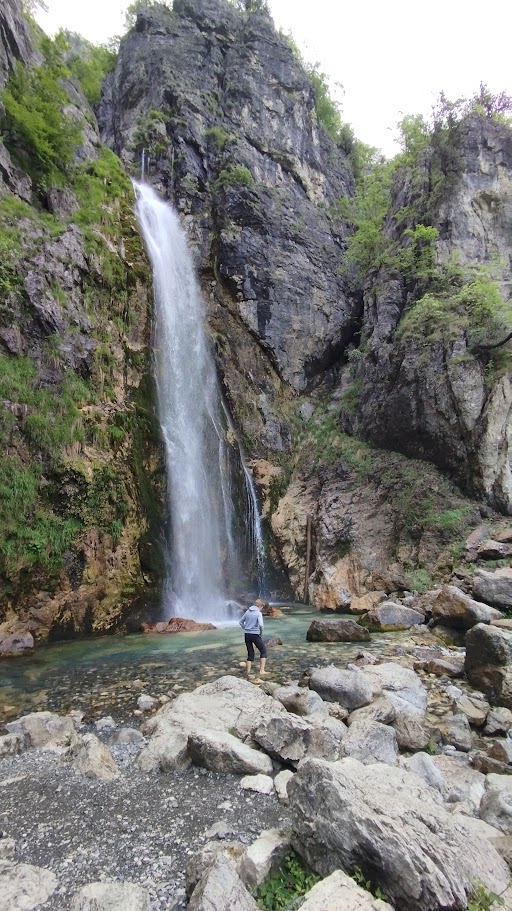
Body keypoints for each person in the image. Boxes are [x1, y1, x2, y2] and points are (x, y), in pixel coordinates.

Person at [239, 597, 267, 677]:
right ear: (260, 606)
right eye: (262, 607)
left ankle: (248, 672)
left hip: (247, 634)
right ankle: (262, 671)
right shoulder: (258, 613)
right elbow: (261, 625)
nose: (261, 609)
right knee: (263, 651)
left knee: (250, 653)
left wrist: (245, 628)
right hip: (255, 634)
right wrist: (260, 633)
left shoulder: (247, 611)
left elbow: (240, 622)